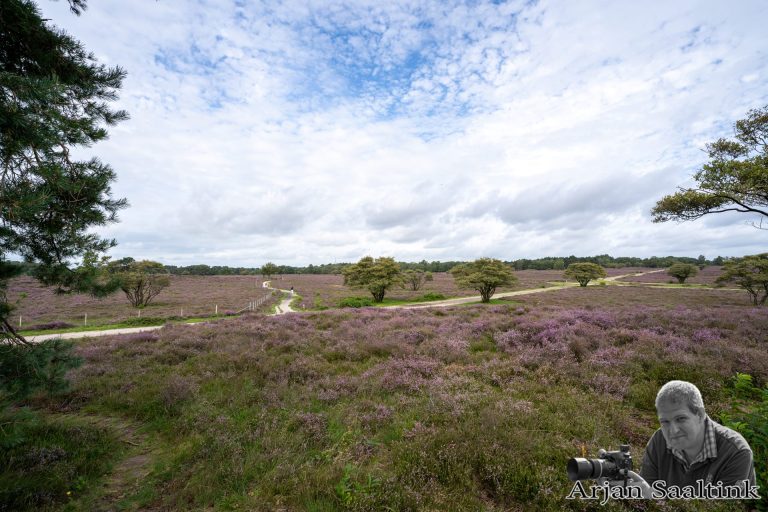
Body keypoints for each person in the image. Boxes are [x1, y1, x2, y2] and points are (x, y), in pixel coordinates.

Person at [607, 380, 756, 499]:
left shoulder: (736, 452)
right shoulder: (659, 441)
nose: (673, 430)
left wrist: (654, 498)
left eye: (680, 419)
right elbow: (646, 498)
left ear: (700, 414)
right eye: (665, 422)